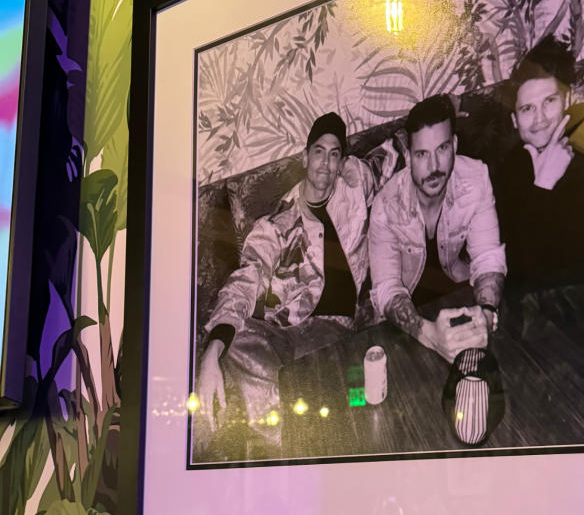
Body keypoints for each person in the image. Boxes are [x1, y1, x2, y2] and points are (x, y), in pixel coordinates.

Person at [194, 112, 374, 458]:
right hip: (280, 329)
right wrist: (213, 348)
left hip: (331, 328)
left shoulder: (357, 180)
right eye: (318, 151)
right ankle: (292, 442)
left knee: (313, 375)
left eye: (334, 153)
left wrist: (451, 106)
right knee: (234, 346)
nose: (325, 162)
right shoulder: (278, 223)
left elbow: (396, 153)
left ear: (343, 161)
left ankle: (289, 443)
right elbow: (247, 277)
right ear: (305, 157)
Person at [368, 94, 506, 362]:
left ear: (454, 145)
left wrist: (486, 313)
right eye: (422, 154)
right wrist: (428, 334)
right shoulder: (386, 205)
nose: (434, 167)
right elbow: (387, 287)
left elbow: (487, 257)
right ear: (408, 156)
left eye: (442, 149)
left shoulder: (477, 178)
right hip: (407, 316)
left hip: (458, 294)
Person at [492, 36, 584, 289]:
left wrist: (543, 186)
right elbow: (518, 268)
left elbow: (580, 263)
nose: (540, 120)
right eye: (527, 109)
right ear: (515, 120)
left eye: (549, 102)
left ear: (567, 102)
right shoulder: (508, 168)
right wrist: (543, 183)